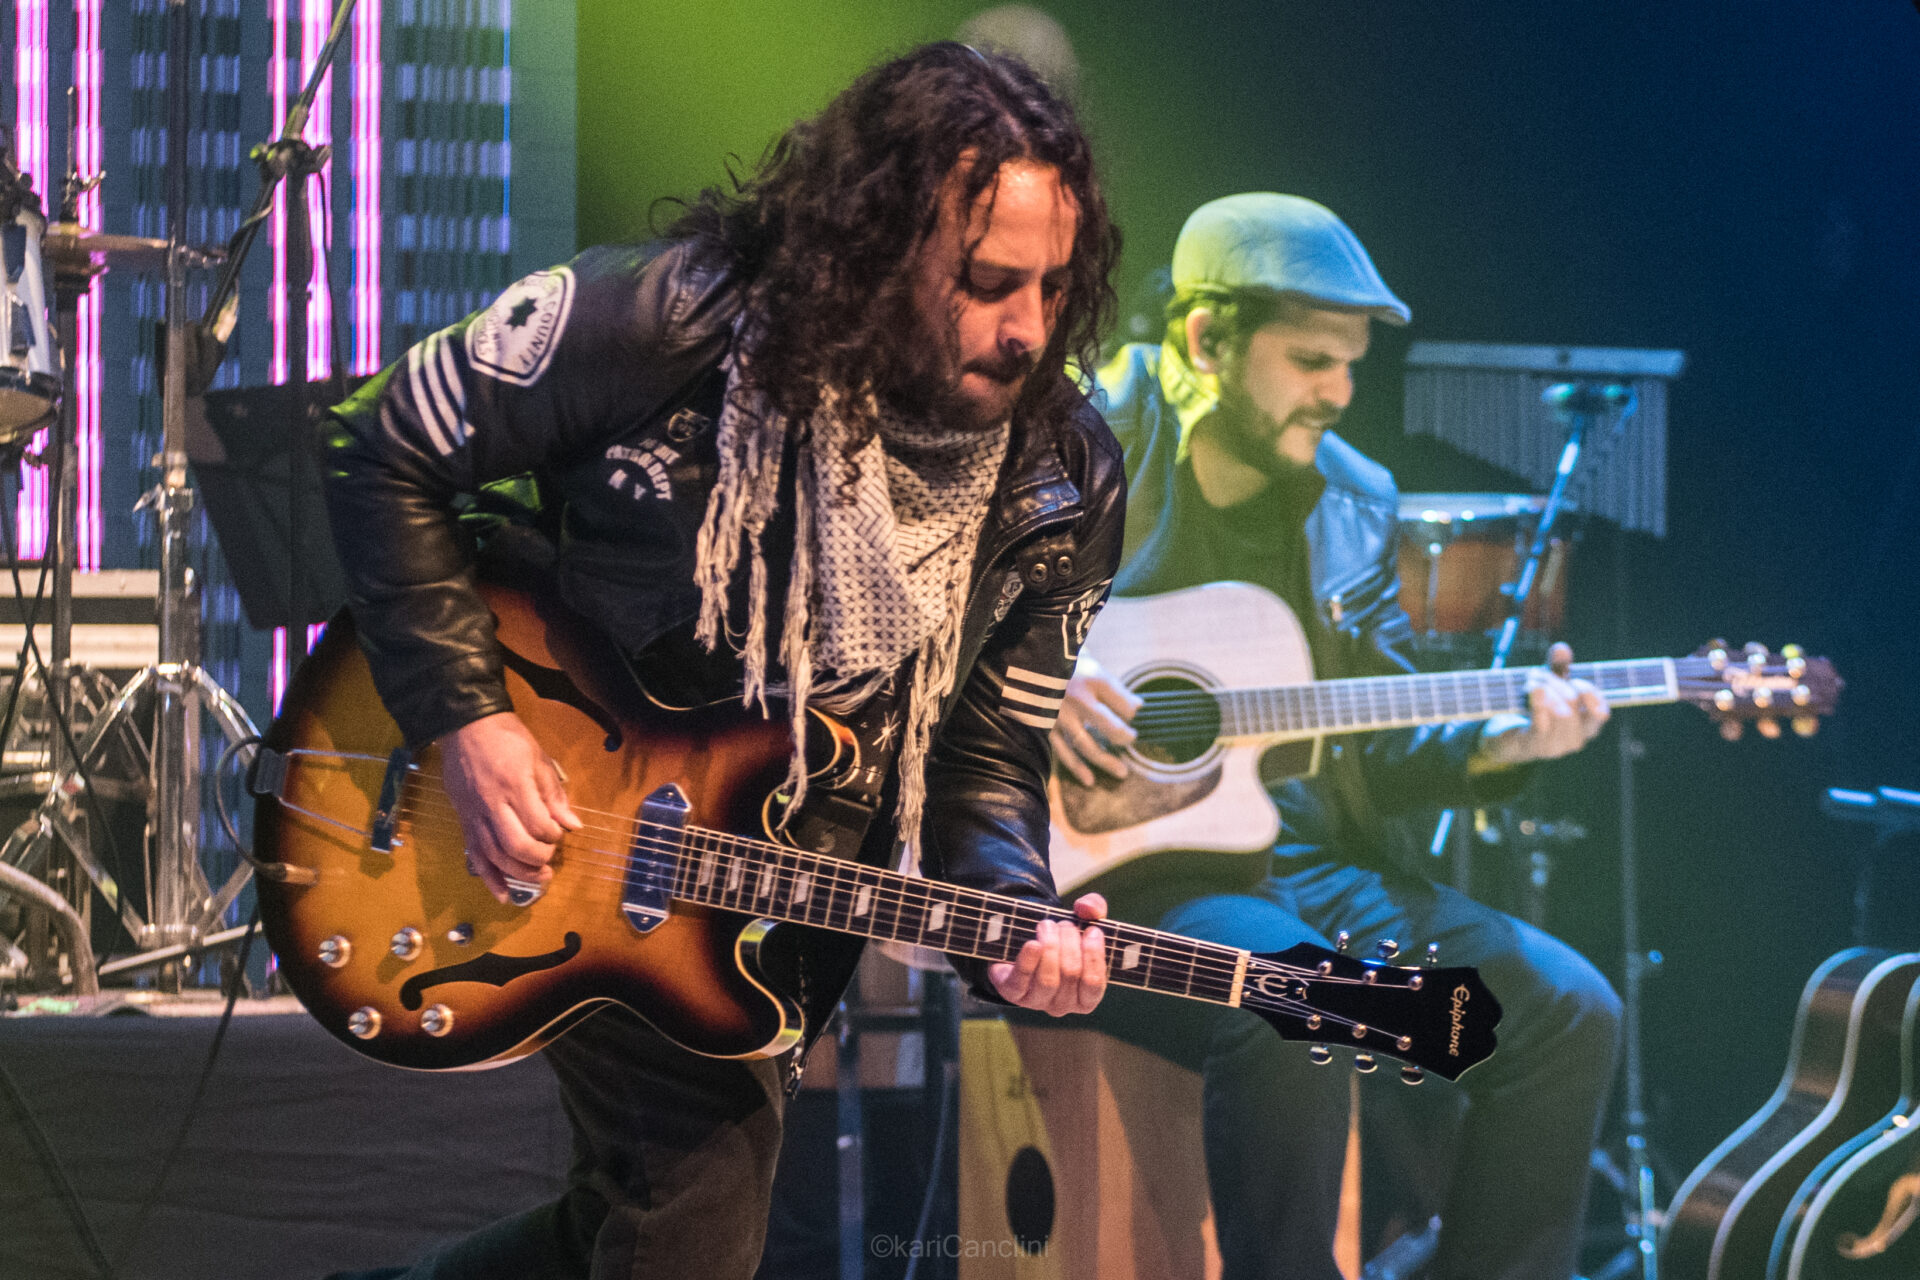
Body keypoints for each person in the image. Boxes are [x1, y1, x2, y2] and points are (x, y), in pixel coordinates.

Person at [319, 44, 1122, 1280]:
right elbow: (376, 444)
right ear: (877, 248)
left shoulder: (1067, 478)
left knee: (631, 1222)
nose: (1028, 330)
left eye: (1054, 287)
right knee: (693, 1205)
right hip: (576, 801)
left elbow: (987, 758)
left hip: (790, 889)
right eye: (986, 282)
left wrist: (1016, 910)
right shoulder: (668, 323)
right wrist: (468, 718)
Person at [1050, 193, 1623, 1280]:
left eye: (1351, 364)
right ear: (1207, 340)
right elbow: (928, 624)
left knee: (1564, 1013)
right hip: (1115, 879)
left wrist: (1498, 747)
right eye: (1311, 361)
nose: (1341, 392)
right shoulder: (1078, 439)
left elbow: (1380, 748)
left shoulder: (1357, 500)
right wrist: (1043, 685)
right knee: (1299, 999)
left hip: (1307, 873)